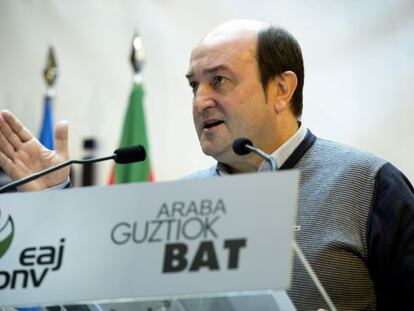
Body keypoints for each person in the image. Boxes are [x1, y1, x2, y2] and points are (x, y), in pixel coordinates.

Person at [0, 19, 413, 310]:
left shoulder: (371, 185)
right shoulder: (182, 200)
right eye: (193, 85)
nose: (200, 101)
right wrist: (54, 203)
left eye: (220, 81)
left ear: (282, 89)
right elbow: (111, 299)